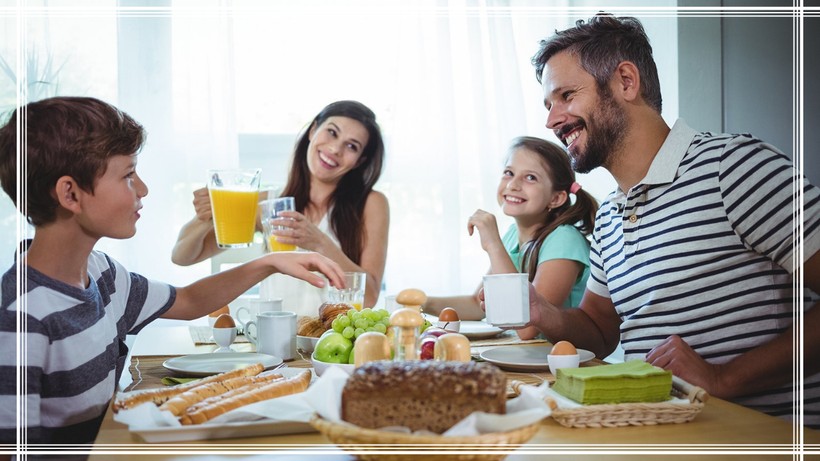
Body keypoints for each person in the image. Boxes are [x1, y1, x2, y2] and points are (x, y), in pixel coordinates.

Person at [514, 13, 820, 427]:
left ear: (626, 81)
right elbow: (599, 331)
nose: (552, 120)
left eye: (566, 95)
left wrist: (723, 377)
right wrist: (542, 312)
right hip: (662, 435)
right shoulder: (608, 216)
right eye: (549, 105)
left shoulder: (733, 166)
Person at [0, 96, 346, 446]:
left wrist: (269, 263)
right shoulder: (21, 316)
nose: (144, 189)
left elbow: (188, 299)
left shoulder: (101, 273)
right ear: (70, 194)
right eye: (129, 175)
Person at [171, 100, 388, 313]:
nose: (335, 148)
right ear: (313, 131)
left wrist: (320, 242)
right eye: (332, 132)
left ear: (359, 160)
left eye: (351, 146)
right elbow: (182, 257)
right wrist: (205, 217)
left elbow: (368, 297)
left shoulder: (371, 204)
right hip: (274, 337)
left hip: (334, 340)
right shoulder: (269, 203)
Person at [425, 137, 597, 341]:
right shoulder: (512, 236)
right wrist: (422, 302)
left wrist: (493, 244)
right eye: (509, 173)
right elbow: (475, 305)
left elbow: (526, 327)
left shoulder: (564, 239)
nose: (513, 185)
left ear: (556, 198)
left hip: (557, 365)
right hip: (525, 357)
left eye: (530, 178)